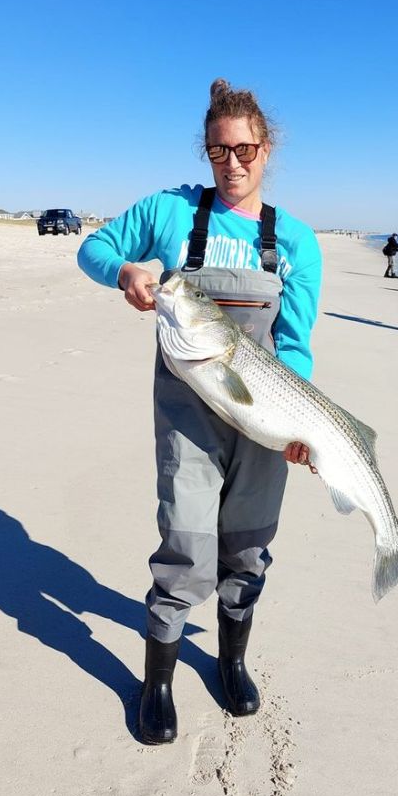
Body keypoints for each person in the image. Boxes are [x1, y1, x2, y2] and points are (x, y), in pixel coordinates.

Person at [77, 79, 322, 745]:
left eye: (245, 150)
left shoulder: (296, 241)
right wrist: (125, 272)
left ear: (266, 150)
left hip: (262, 417)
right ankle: (157, 681)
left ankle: (231, 661)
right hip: (188, 416)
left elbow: (294, 347)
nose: (232, 164)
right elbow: (93, 248)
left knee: (248, 545)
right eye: (218, 151)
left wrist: (297, 426)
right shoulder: (170, 211)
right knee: (185, 545)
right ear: (205, 152)